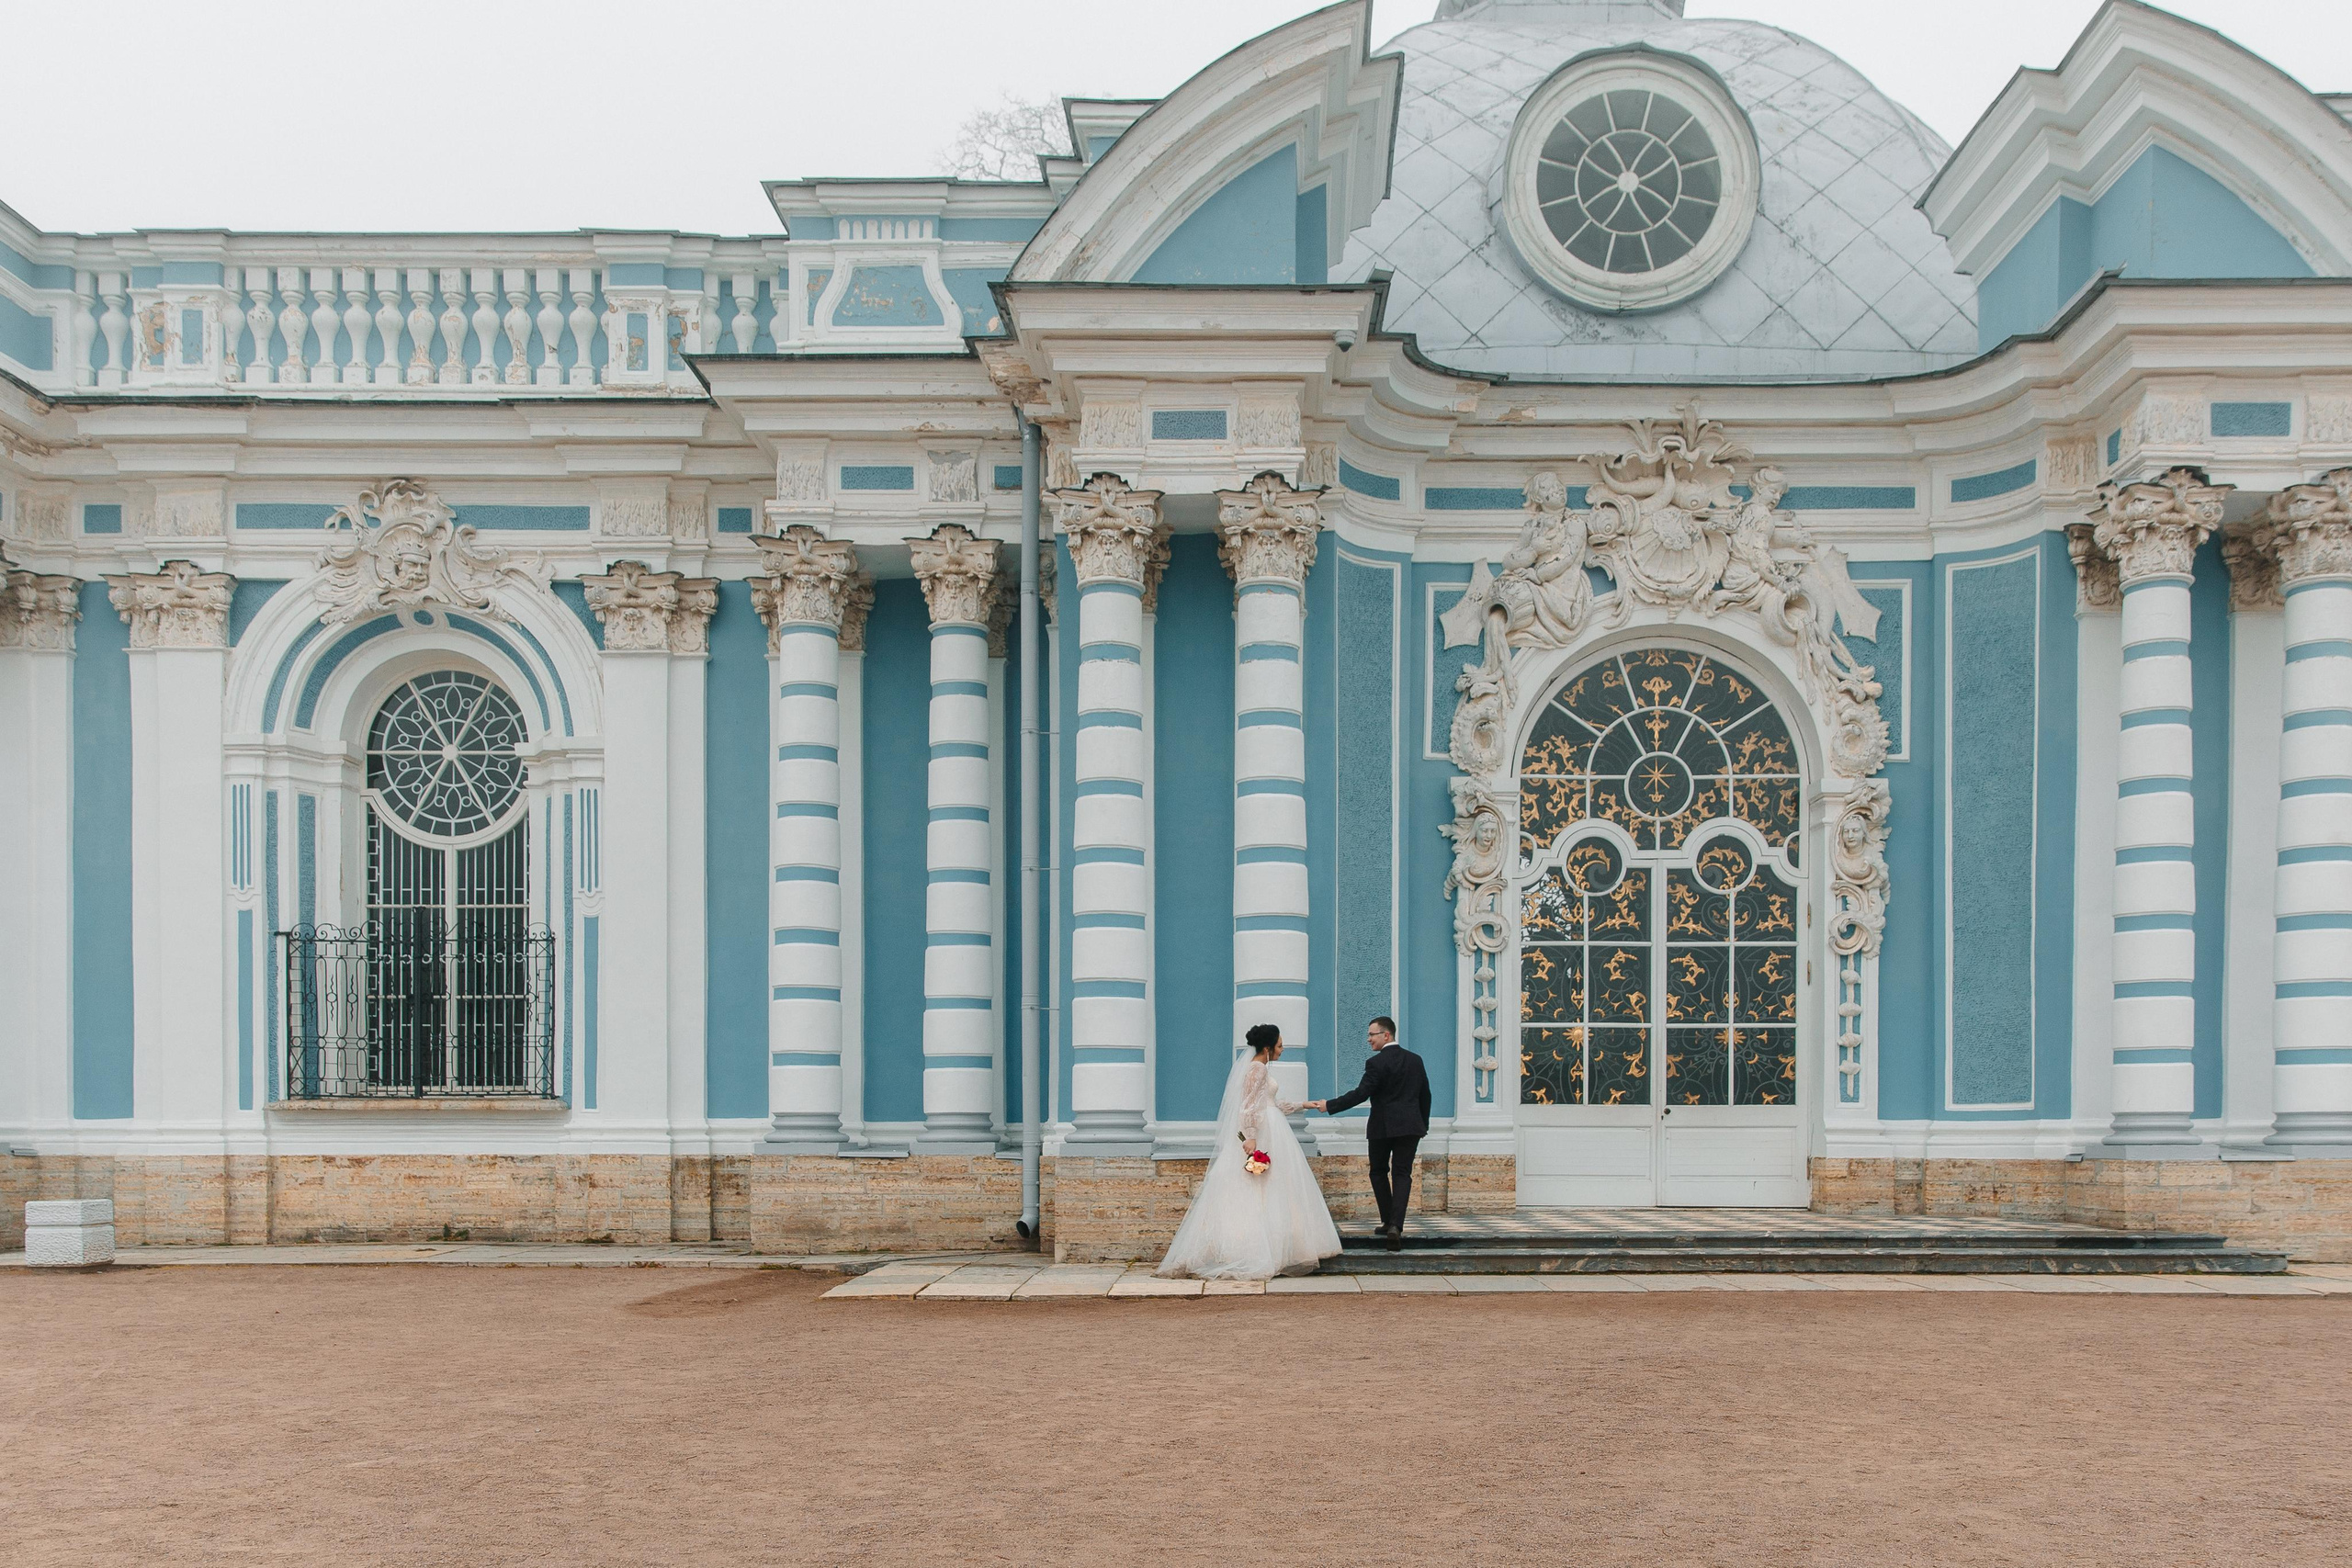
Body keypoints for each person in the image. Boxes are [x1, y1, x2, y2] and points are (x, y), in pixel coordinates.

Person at [1156, 1023, 1341, 1280]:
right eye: (1279, 1045)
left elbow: (1272, 1104)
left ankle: (1276, 1248)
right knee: (1258, 1187)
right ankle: (1257, 1250)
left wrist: (1303, 1104)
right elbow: (1247, 1106)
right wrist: (1251, 1138)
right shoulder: (1257, 1068)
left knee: (1271, 1188)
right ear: (1267, 1048)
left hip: (1271, 1127)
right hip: (1262, 1132)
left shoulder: (1260, 1068)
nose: (1282, 1049)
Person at [1306, 1017, 1430, 1251]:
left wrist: (1329, 1105)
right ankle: (1395, 1225)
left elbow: (1361, 1094)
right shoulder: (1416, 1060)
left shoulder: (1376, 1063)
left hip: (1382, 1128)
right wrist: (1423, 1124)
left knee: (1378, 1171)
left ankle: (1388, 1221)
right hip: (1411, 1128)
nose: (1368, 1039)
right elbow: (1426, 1094)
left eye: (1372, 1035)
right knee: (1403, 1174)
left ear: (1387, 1035)